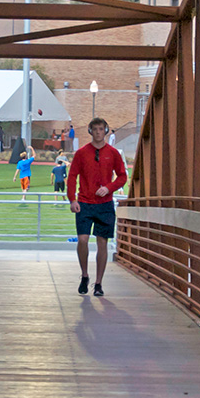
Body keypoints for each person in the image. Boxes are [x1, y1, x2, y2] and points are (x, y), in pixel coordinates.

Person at [67, 117, 127, 297]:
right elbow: (72, 176)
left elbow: (123, 176)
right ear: (90, 131)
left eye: (102, 129)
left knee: (102, 243)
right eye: (95, 129)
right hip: (84, 203)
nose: (99, 132)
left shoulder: (113, 153)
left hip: (105, 205)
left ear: (106, 131)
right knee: (83, 240)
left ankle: (98, 283)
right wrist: (72, 200)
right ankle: (85, 275)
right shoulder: (81, 153)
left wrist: (109, 188)